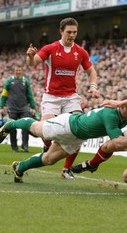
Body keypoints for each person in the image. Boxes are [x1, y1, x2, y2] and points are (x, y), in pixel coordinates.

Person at [0, 94, 127, 183]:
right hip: (68, 125)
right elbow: (117, 142)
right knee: (38, 130)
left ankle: (20, 167)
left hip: (77, 138)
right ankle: (11, 124)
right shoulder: (111, 114)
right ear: (123, 107)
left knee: (49, 159)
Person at [25, 17, 100, 179]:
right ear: (61, 31)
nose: (72, 35)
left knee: (79, 132)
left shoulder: (80, 52)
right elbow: (32, 63)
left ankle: (66, 169)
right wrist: (30, 56)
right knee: (46, 132)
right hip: (51, 97)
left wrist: (93, 86)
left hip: (71, 98)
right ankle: (46, 146)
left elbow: (91, 72)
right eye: (69, 32)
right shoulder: (51, 48)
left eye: (74, 32)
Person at [0, 65, 37, 152]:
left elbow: (29, 95)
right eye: (16, 70)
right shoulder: (9, 81)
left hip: (24, 108)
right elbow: (4, 94)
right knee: (12, 128)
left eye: (19, 70)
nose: (18, 71)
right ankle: (14, 147)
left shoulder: (25, 81)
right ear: (14, 71)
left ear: (22, 71)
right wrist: (1, 106)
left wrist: (33, 106)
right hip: (12, 108)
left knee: (26, 127)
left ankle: (25, 147)